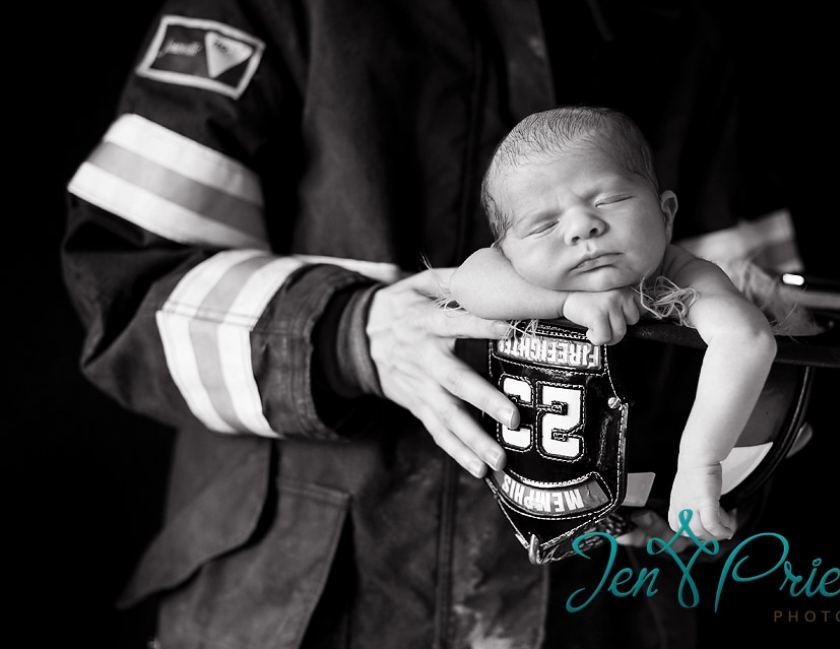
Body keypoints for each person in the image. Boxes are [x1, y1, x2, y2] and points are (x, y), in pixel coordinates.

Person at [61, 1, 802, 647]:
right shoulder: (270, 5)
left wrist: (723, 470)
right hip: (309, 603)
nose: (581, 230)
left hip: (608, 599)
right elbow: (126, 287)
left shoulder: (673, 25)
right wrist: (352, 331)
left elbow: (756, 323)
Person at [450, 106, 777, 541]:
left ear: (666, 213)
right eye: (544, 225)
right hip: (535, 487)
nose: (583, 227)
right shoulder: (511, 275)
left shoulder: (681, 275)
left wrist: (701, 463)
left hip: (664, 461)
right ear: (506, 252)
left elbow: (747, 338)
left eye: (610, 200)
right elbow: (467, 282)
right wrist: (566, 302)